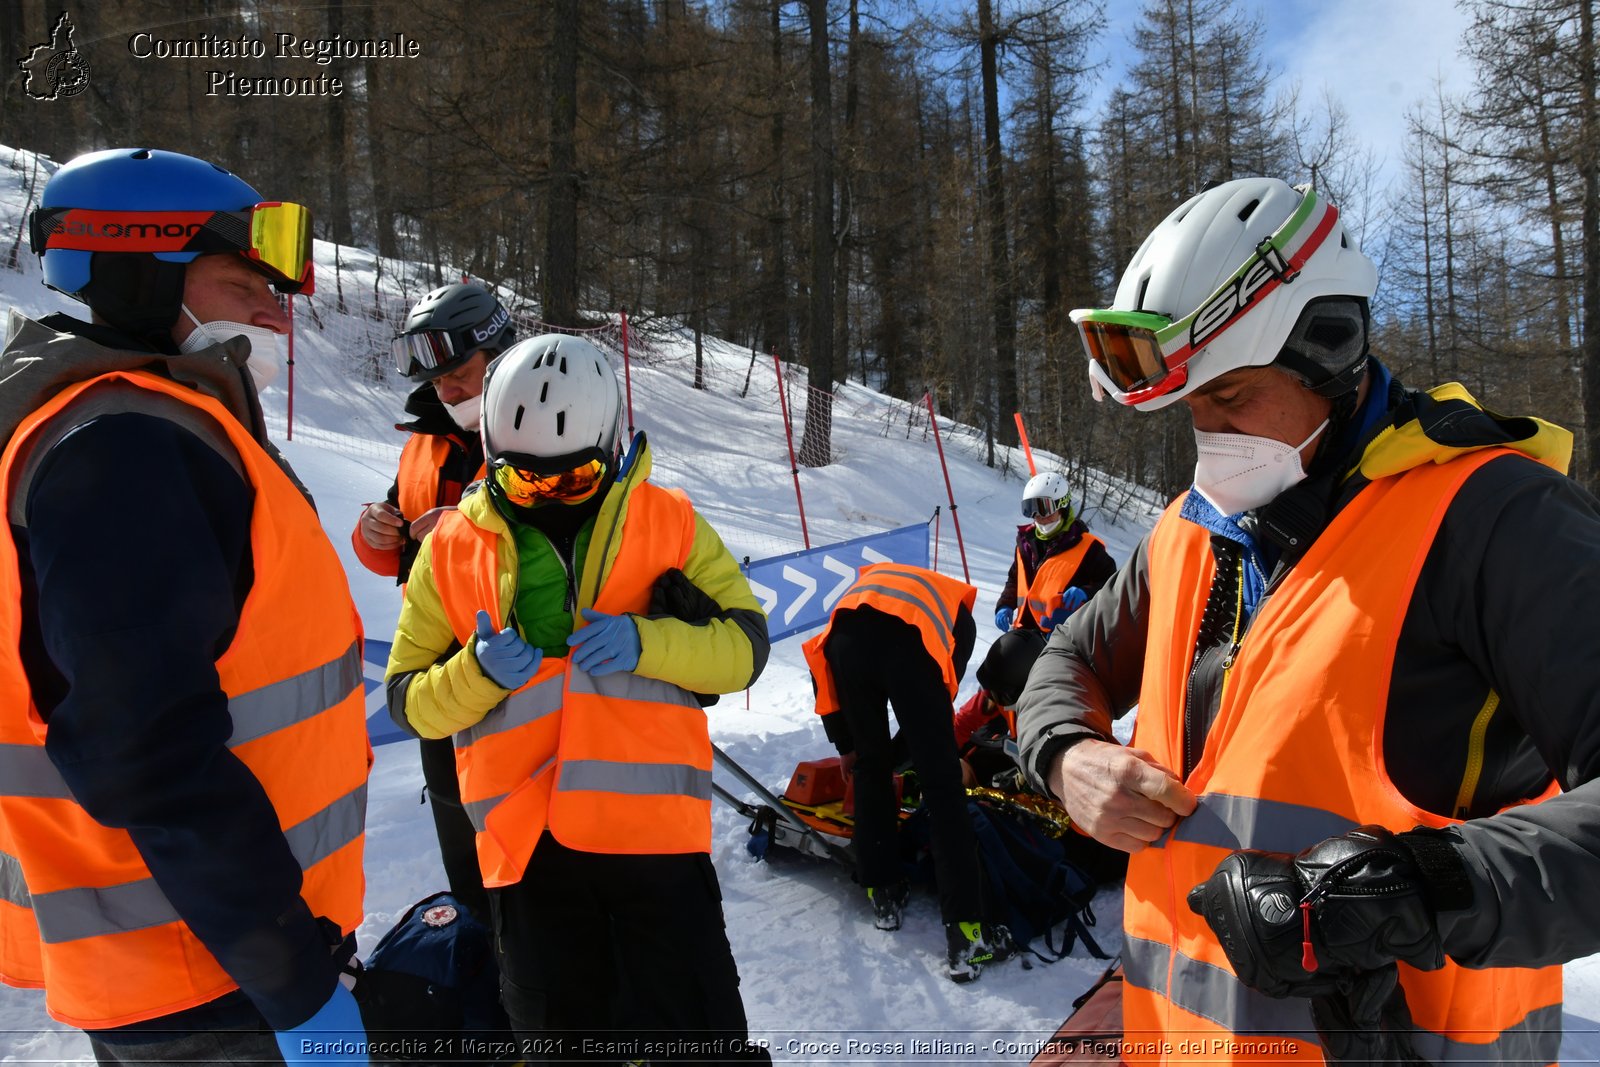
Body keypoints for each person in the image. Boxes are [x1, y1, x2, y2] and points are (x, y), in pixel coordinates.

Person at [1016, 175, 1600, 1063]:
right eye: (1190, 409)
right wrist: (1067, 753)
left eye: (1232, 397)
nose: (1208, 436)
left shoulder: (1496, 519)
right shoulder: (1189, 529)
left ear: (1331, 351)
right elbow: (1068, 658)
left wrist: (1424, 888)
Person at [0, 148, 370, 1065]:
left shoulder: (148, 425)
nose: (274, 310)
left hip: (210, 954)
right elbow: (145, 750)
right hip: (210, 980)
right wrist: (294, 983)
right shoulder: (121, 447)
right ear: (140, 265)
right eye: (243, 281)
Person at [385, 334, 770, 1061]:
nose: (547, 495)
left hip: (657, 851)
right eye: (523, 481)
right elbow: (407, 700)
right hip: (529, 862)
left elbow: (745, 649)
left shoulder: (671, 520)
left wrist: (651, 642)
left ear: (612, 445)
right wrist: (474, 674)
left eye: (574, 478)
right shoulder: (450, 548)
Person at [352, 280, 514, 922]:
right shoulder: (428, 435)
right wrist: (375, 531)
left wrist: (467, 527)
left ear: (499, 355)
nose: (446, 391)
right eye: (434, 377)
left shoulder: (556, 419)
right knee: (459, 828)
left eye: (460, 374)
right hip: (436, 670)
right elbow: (398, 538)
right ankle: (484, 970)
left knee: (523, 844)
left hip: (520, 669)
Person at [801, 562, 1012, 983]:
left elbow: (822, 672)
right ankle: (967, 934)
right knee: (942, 787)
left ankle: (883, 893)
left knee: (871, 769)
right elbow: (940, 688)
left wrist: (850, 748)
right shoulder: (958, 613)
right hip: (909, 647)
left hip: (846, 642)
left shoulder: (868, 587)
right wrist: (923, 747)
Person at [993, 471, 1116, 633]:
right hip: (1025, 630)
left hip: (1065, 633)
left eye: (1044, 508)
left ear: (1062, 506)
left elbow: (1112, 586)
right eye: (1031, 509)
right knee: (999, 657)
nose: (1039, 517)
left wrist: (1087, 592)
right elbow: (1014, 581)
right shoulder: (1025, 544)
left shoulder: (1088, 547)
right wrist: (1005, 605)